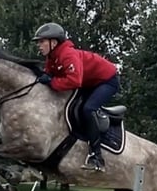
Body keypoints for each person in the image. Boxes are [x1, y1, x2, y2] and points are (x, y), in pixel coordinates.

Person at [32, 22, 120, 171]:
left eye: (41, 42)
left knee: (87, 109)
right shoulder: (52, 58)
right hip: (90, 82)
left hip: (107, 81)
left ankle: (97, 157)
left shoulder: (67, 54)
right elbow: (49, 75)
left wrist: (52, 82)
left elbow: (74, 80)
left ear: (53, 42)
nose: (39, 46)